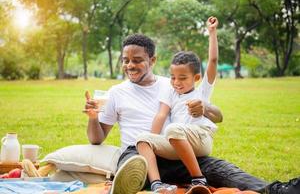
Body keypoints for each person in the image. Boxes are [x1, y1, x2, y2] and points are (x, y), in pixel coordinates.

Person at [84, 34, 300, 194]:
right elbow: (97, 138)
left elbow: (218, 117)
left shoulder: (174, 83)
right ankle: (139, 182)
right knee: (132, 163)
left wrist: (204, 108)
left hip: (175, 150)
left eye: (137, 60)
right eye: (125, 60)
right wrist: (94, 117)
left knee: (219, 169)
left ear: (153, 60)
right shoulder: (116, 93)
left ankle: (277, 190)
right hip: (138, 153)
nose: (130, 65)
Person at [136, 16, 219, 193]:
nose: (176, 82)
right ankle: (157, 184)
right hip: (177, 141)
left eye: (182, 78)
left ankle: (199, 179)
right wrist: (153, 140)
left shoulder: (202, 91)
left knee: (173, 129)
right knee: (142, 139)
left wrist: (212, 32)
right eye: (173, 77)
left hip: (201, 139)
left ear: (196, 78)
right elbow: (161, 115)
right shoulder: (171, 91)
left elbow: (212, 61)